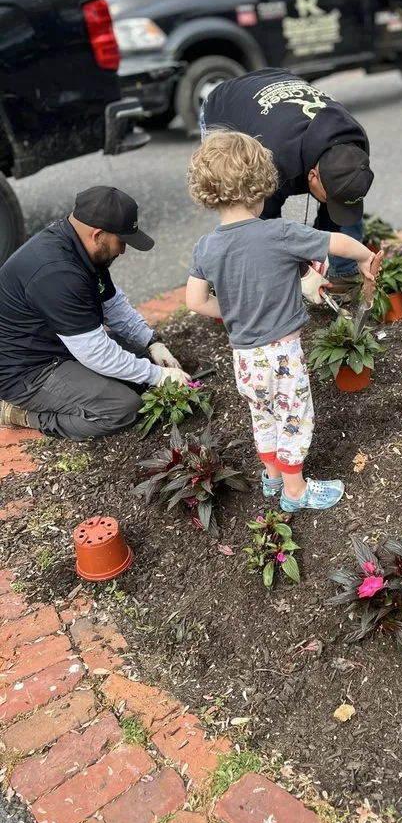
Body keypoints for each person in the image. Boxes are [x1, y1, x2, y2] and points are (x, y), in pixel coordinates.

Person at [185, 130, 380, 512]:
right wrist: (362, 257)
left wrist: (230, 310)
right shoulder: (278, 232)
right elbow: (336, 243)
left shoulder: (206, 246)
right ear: (261, 184)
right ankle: (295, 491)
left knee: (264, 416)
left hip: (244, 358)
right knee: (294, 417)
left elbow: (194, 300)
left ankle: (272, 477)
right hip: (282, 356)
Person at [0, 186, 190, 439]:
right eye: (121, 241)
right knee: (122, 408)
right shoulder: (57, 273)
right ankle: (20, 413)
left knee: (141, 361)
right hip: (27, 370)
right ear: (98, 235)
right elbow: (95, 352)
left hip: (60, 345)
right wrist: (158, 376)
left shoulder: (80, 247)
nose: (123, 250)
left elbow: (112, 303)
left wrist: (151, 342)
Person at [200, 67, 374, 300]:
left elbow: (343, 194)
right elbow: (262, 229)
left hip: (279, 86)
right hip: (226, 106)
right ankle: (244, 289)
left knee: (343, 198)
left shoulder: (354, 144)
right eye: (329, 197)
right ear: (312, 176)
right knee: (238, 208)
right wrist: (301, 272)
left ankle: (342, 273)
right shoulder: (273, 163)